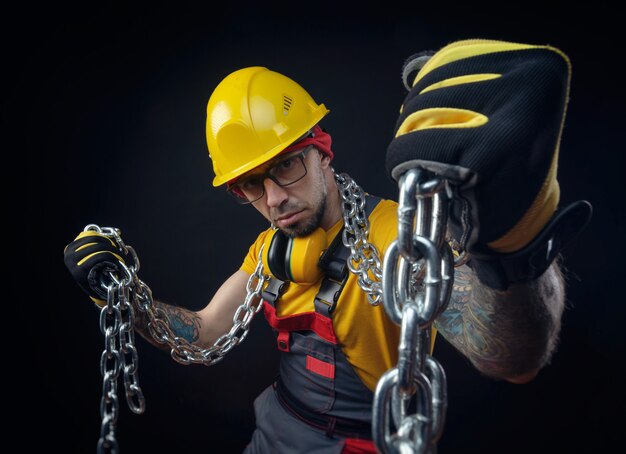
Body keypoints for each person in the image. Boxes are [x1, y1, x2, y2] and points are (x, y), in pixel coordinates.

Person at [64, 39, 592, 453]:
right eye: (251, 184)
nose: (273, 199)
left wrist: (511, 247)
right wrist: (119, 294)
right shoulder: (269, 250)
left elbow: (513, 358)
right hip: (276, 435)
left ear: (322, 152)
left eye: (287, 165)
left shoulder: (396, 240)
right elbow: (202, 334)